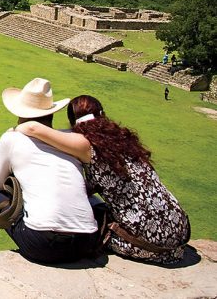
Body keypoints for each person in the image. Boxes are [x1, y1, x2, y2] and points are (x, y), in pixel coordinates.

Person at [16, 95, 190, 264]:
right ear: (102, 113)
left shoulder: (87, 145)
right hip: (178, 227)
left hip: (150, 241)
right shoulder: (121, 140)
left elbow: (32, 128)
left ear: (72, 121)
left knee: (88, 220)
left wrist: (14, 132)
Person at [0, 78, 98, 264]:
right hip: (87, 242)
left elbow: (0, 183)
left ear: (20, 114)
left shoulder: (12, 138)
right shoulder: (71, 139)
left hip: (43, 244)